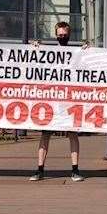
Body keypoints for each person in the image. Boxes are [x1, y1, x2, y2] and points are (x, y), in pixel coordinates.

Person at [29, 21, 84, 182]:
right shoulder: (50, 52)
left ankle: (75, 170)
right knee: (45, 134)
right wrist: (35, 48)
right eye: (59, 35)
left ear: (69, 34)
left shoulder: (75, 52)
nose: (62, 37)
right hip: (52, 100)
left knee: (72, 134)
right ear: (56, 35)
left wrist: (87, 51)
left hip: (68, 101)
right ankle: (40, 170)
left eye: (64, 35)